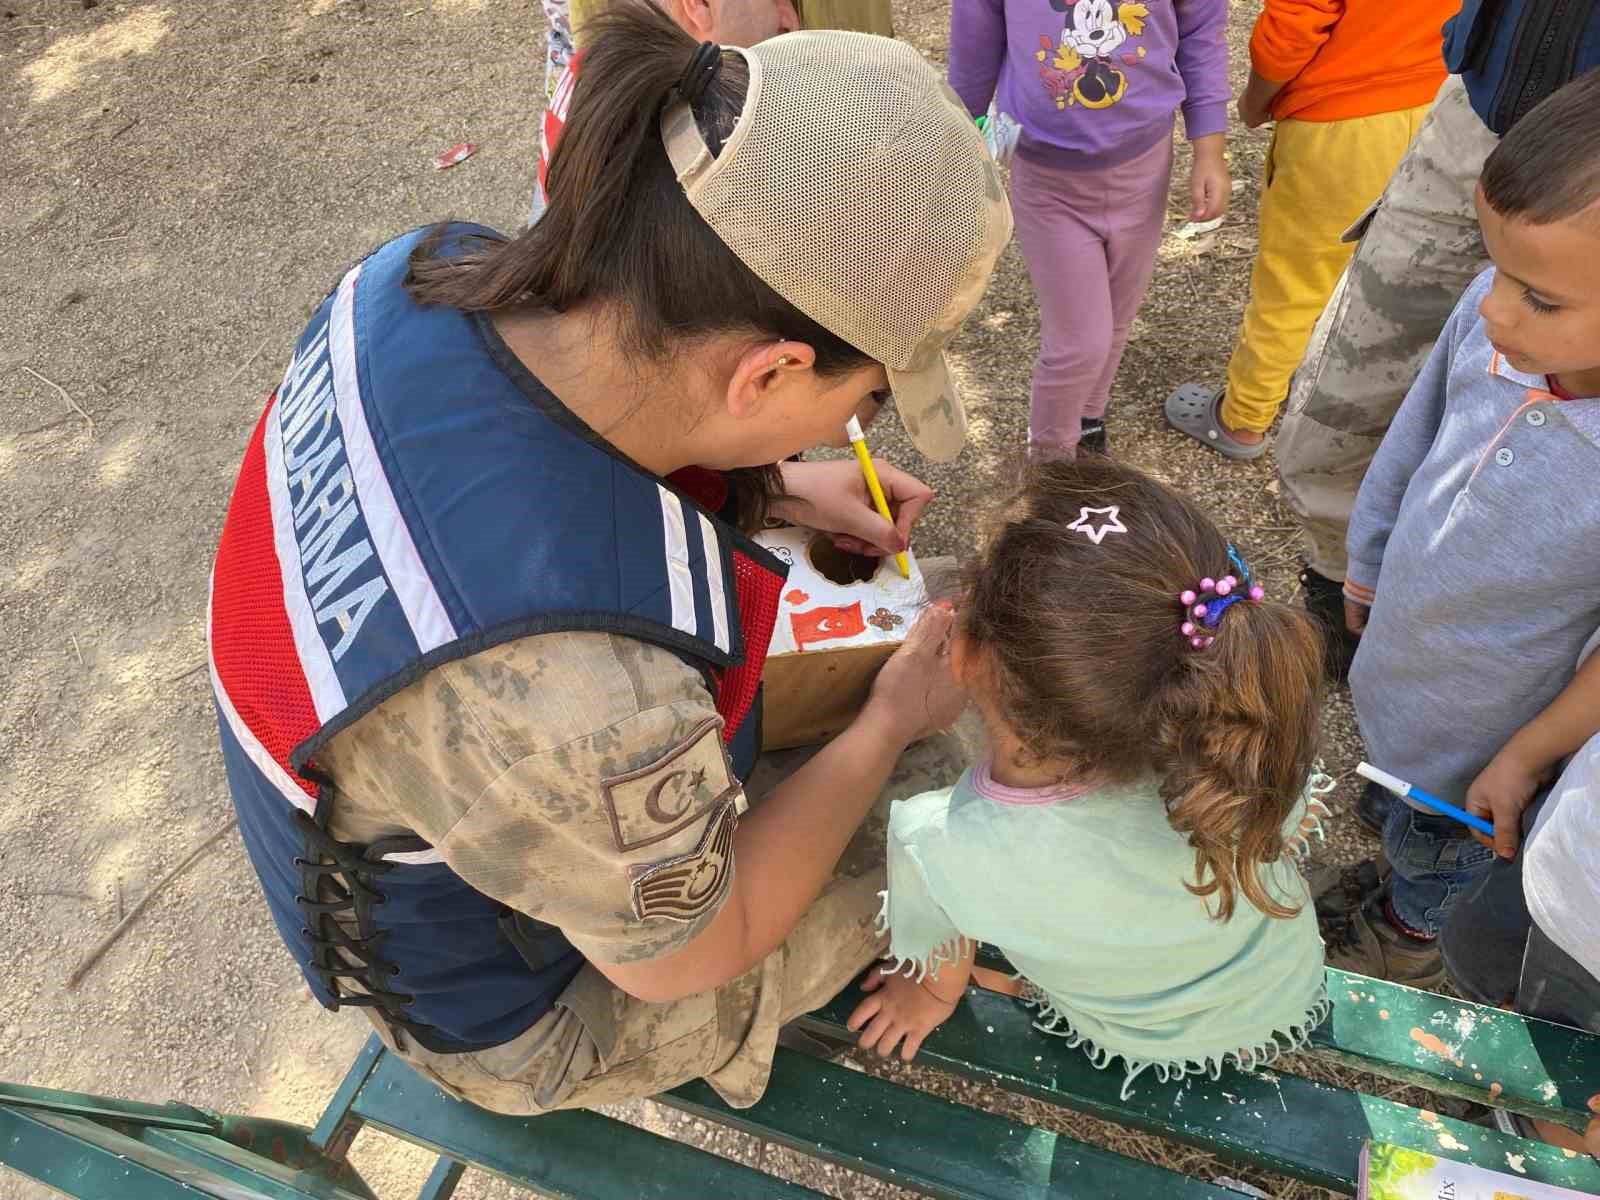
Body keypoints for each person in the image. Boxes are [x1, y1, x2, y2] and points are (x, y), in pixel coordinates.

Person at [206, 0, 1010, 1115]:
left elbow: (508, 457)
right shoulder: (587, 703)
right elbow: (688, 949)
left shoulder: (420, 274)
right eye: (863, 396)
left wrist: (768, 486)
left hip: (399, 836)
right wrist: (884, 727)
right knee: (939, 810)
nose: (855, 424)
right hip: (511, 1014)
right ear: (768, 374)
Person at [844, 458, 1332, 1092]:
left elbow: (939, 946)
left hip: (1126, 1033)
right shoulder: (1240, 750)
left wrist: (933, 995)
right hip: (1281, 988)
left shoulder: (939, 839)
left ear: (961, 654)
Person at [1328, 68, 1600, 987]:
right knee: (1402, 800)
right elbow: (1413, 440)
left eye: (1541, 299)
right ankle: (1402, 858)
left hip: (1493, 744)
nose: (1491, 308)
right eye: (1496, 269)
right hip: (1407, 670)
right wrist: (1365, 566)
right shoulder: (1495, 323)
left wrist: (1527, 755)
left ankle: (1407, 934)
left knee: (1441, 852)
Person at [1275, 0, 1600, 687]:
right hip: (1489, 115)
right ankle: (1347, 593)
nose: (1489, 310)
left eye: (1534, 296)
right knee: (1336, 417)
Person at [1164, 0, 1453, 460]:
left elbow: (1292, 27)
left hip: (1342, 120)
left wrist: (1254, 102)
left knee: (1293, 286)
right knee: (1404, 277)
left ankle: (1243, 419)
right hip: (1444, 105)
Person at [947, 0, 1231, 460]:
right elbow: (973, 53)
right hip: (1047, 177)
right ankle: (1051, 458)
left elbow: (1202, 32)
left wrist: (1209, 148)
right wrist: (958, 149)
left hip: (1144, 165)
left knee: (1117, 315)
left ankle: (1087, 417)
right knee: (1079, 342)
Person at [1443, 715, 1600, 1158]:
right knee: (1492, 986)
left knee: (1565, 1109)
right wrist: (1524, 755)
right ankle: (1499, 1105)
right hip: (1564, 851)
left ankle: (1515, 1144)